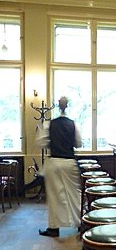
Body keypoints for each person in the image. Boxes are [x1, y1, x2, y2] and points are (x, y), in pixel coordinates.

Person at [36, 96, 82, 237]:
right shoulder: (74, 124)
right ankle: (80, 223)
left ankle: (54, 228)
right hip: (69, 162)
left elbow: (40, 143)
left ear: (57, 106)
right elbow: (78, 143)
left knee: (55, 196)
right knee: (75, 193)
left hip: (54, 162)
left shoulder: (49, 124)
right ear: (67, 106)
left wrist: (52, 142)